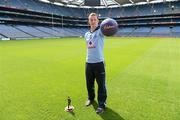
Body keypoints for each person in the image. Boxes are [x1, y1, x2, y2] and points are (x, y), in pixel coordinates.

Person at [84, 13, 107, 114]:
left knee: (101, 85)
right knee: (89, 83)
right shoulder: (86, 34)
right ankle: (91, 98)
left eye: (94, 19)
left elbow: (109, 28)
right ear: (89, 21)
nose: (93, 21)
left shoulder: (101, 32)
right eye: (91, 19)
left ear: (98, 21)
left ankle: (101, 104)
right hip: (88, 63)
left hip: (99, 63)